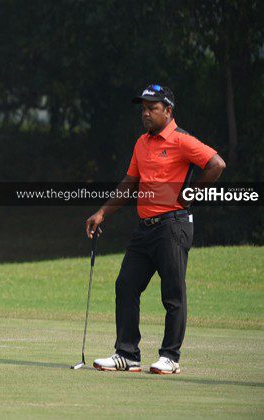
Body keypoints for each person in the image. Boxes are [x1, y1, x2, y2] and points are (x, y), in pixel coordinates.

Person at [86, 84, 225, 374]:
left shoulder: (181, 140)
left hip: (173, 226)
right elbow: (129, 184)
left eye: (153, 108)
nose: (146, 113)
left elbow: (216, 164)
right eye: (143, 108)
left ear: (168, 110)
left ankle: (170, 357)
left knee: (172, 293)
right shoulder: (142, 143)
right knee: (126, 285)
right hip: (145, 228)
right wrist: (102, 212)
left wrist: (190, 195)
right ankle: (127, 353)